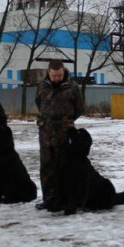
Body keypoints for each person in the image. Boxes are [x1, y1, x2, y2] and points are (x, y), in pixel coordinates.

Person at [35, 60, 85, 211]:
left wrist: (68, 121)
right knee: (46, 167)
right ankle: (48, 200)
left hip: (64, 133)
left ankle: (63, 199)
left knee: (63, 167)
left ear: (64, 72)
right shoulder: (42, 86)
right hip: (45, 132)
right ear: (48, 72)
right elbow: (38, 103)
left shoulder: (73, 87)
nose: (56, 78)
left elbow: (80, 108)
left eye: (59, 75)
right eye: (54, 75)